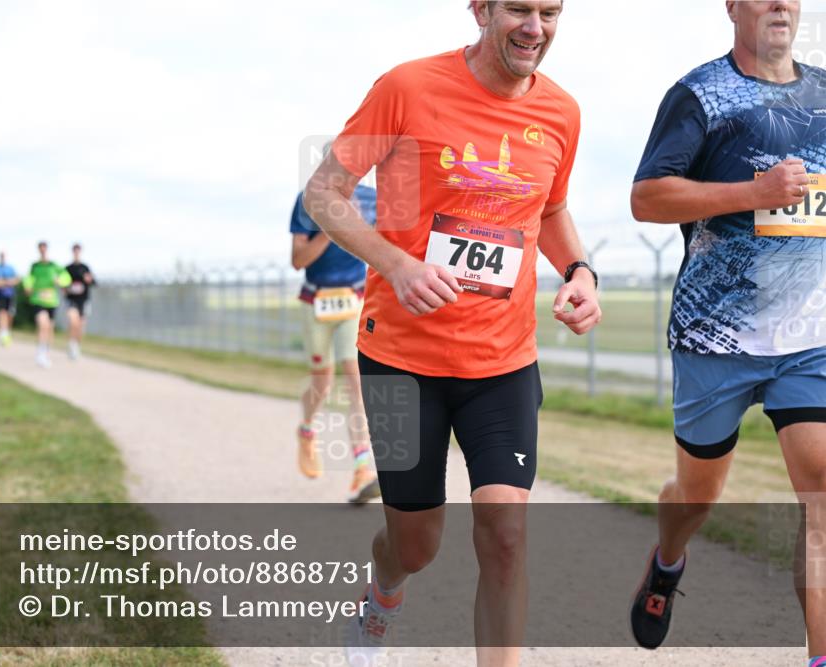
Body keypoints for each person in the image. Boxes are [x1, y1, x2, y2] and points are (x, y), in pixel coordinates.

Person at [303, 2, 600, 665]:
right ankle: (383, 594)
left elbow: (549, 207)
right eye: (518, 9)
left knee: (506, 531)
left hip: (502, 360)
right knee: (415, 545)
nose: (535, 27)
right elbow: (326, 192)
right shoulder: (405, 88)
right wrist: (397, 263)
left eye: (549, 12)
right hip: (397, 358)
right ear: (481, 9)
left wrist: (579, 270)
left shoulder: (562, 112)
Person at [628, 2, 825, 662]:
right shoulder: (701, 95)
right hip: (715, 336)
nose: (779, 4)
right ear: (732, 6)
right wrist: (752, 190)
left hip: (810, 338)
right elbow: (648, 197)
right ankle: (668, 557)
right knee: (696, 497)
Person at [291, 157, 382, 504]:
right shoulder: (307, 200)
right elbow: (298, 260)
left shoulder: (375, 200)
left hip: (353, 301)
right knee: (322, 383)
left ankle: (362, 466)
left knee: (355, 380)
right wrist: (334, 225)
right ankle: (307, 430)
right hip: (315, 300)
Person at [22, 241, 72, 368]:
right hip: (37, 299)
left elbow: (66, 277)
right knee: (42, 324)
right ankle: (40, 352)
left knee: (49, 328)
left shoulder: (54, 265)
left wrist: (60, 281)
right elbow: (29, 278)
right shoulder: (35, 266)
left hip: (51, 301)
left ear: (47, 250)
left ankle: (45, 352)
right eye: (41, 249)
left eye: (44, 248)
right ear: (39, 250)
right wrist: (28, 286)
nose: (43, 251)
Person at [64, 244, 93, 360]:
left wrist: (88, 279)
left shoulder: (85, 267)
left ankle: (77, 345)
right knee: (73, 321)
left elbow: (92, 281)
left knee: (81, 326)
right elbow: (62, 283)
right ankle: (72, 343)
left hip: (83, 300)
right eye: (74, 251)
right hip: (72, 300)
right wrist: (66, 289)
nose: (76, 253)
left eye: (78, 251)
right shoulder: (67, 268)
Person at [0, 252, 20, 346]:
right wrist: (5, 282)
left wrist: (9, 282)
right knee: (2, 313)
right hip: (0, 295)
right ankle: (2, 334)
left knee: (10, 315)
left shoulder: (10, 268)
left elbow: (17, 279)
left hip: (11, 295)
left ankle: (7, 332)